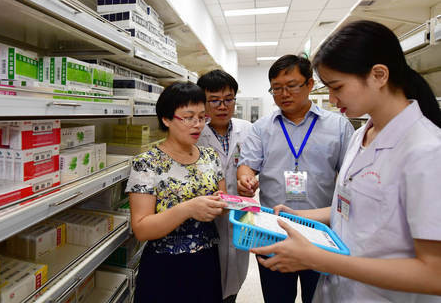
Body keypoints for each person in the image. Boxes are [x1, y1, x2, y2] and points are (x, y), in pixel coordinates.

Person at [252, 20, 441, 302]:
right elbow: (351, 209)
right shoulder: (362, 135)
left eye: (336, 86)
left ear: (378, 75)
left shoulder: (427, 152)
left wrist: (319, 259)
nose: (330, 98)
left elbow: (434, 275)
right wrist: (295, 218)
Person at [237, 54, 354, 303]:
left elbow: (351, 179)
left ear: (309, 85)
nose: (284, 94)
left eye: (291, 86)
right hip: (272, 230)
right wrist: (246, 179)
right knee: (277, 296)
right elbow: (247, 165)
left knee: (319, 296)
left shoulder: (339, 127)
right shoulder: (262, 128)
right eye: (276, 89)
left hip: (322, 232)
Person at [126, 82, 228, 303]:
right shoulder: (147, 164)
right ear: (166, 119)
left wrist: (224, 205)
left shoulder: (211, 157)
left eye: (202, 117)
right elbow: (141, 228)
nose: (197, 125)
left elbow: (223, 204)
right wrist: (189, 208)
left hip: (207, 261)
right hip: (165, 266)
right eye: (188, 117)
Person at [197, 70, 253, 303]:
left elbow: (253, 165)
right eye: (215, 100)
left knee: (233, 282)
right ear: (202, 102)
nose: (223, 106)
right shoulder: (194, 132)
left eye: (228, 99)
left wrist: (250, 181)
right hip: (205, 218)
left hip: (240, 216)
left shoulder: (248, 129)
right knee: (206, 284)